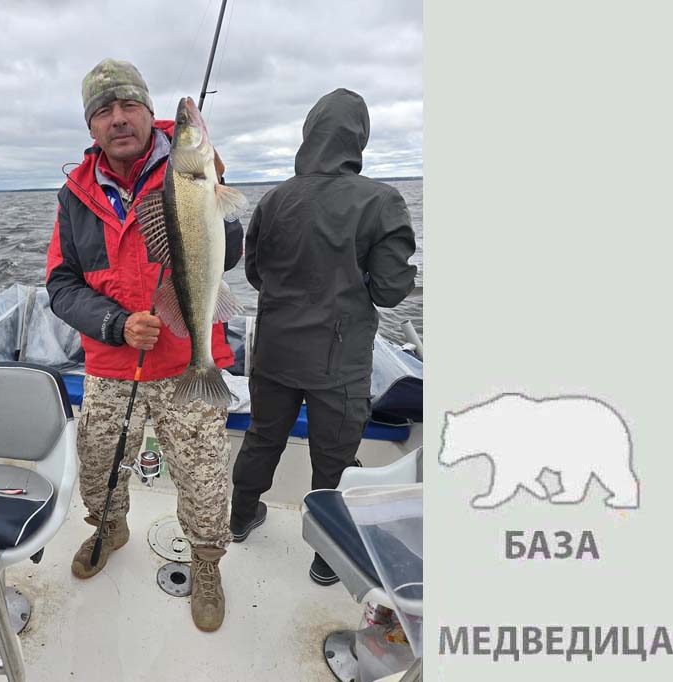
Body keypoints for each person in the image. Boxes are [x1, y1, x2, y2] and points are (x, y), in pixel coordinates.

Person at [45, 58, 243, 631]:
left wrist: (216, 194)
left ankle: (206, 563)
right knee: (98, 465)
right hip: (111, 361)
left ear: (148, 111)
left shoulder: (186, 169)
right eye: (103, 110)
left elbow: (229, 254)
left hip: (186, 360)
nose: (118, 118)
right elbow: (61, 284)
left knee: (204, 478)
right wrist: (115, 324)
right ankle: (109, 528)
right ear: (90, 127)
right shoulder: (74, 196)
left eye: (129, 104)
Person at [228, 88, 417, 585]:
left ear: (309, 133)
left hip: (274, 351)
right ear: (359, 138)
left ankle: (241, 516)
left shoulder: (274, 199)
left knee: (263, 437)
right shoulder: (382, 201)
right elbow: (392, 290)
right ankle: (326, 557)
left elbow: (255, 274)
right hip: (339, 358)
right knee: (332, 455)